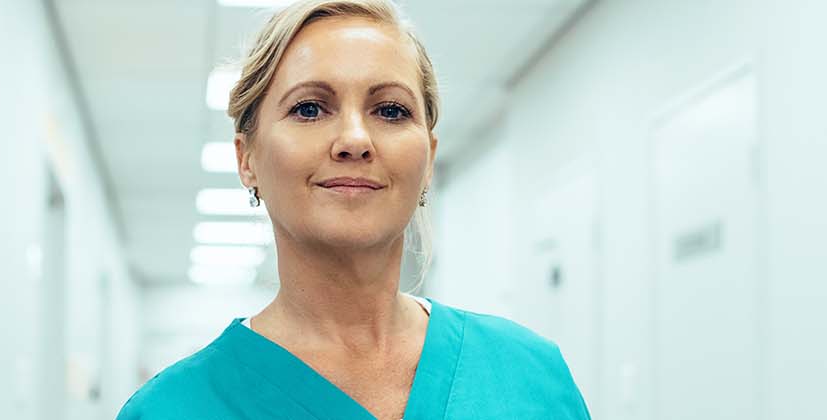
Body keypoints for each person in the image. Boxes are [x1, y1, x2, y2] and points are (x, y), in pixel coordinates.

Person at [117, 1, 590, 418]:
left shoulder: (530, 376)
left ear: (427, 158)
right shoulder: (172, 408)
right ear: (247, 160)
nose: (355, 141)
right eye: (309, 109)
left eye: (390, 111)